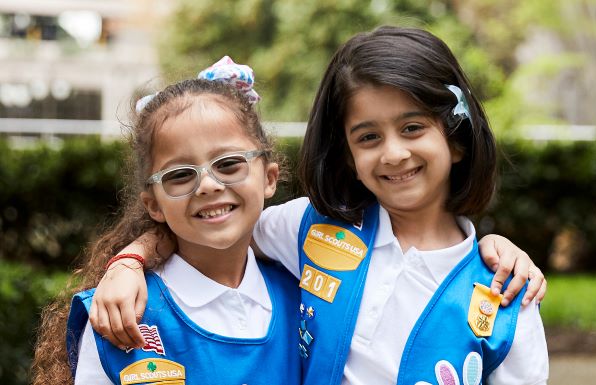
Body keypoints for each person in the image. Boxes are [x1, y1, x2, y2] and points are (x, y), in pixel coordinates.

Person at [91, 27, 549, 384]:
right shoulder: (309, 228)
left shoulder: (507, 293)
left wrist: (497, 247)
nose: (393, 153)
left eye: (412, 128)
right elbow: (212, 227)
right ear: (348, 156)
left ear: (457, 141)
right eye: (368, 137)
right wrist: (128, 261)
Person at [31, 57, 300, 385]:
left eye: (229, 163)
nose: (209, 185)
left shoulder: (306, 292)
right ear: (154, 204)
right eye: (180, 174)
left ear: (269, 178)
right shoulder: (121, 316)